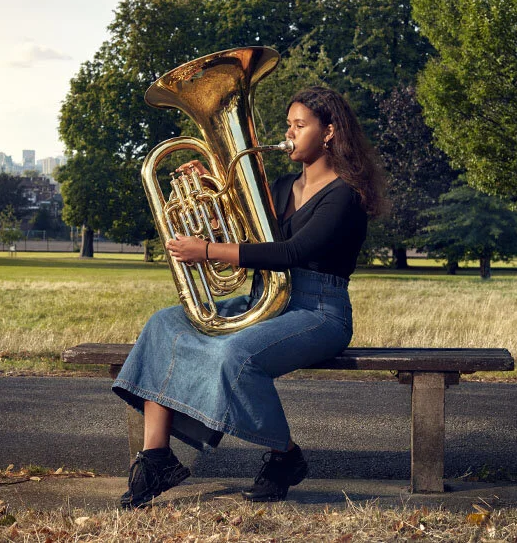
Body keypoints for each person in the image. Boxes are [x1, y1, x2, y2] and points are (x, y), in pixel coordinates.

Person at [112, 86, 386, 508]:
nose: (289, 134)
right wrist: (206, 191)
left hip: (319, 311)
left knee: (233, 355)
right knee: (165, 323)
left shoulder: (345, 195)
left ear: (329, 132)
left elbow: (291, 253)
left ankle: (285, 456)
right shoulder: (280, 187)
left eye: (300, 125)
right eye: (288, 125)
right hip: (268, 300)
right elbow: (244, 238)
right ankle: (156, 457)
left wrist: (205, 251)